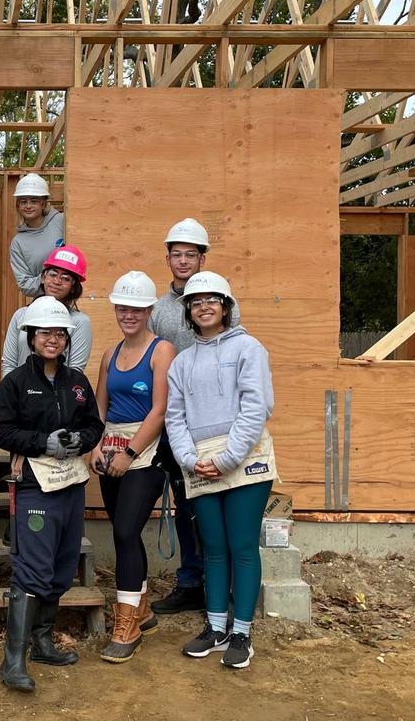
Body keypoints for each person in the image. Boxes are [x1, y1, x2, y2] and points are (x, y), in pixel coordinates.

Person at [0, 297, 104, 693]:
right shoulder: (15, 383)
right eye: (44, 333)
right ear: (31, 338)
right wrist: (42, 442)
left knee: (60, 565)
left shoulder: (76, 382)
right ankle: (13, 661)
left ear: (66, 338)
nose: (52, 339)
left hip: (70, 485)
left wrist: (78, 440)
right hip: (35, 485)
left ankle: (42, 642)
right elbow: (0, 431)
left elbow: (95, 425)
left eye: (58, 333)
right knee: (33, 569)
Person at [165, 271, 275, 670]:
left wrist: (227, 458)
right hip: (199, 464)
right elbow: (174, 417)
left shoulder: (248, 349)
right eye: (196, 302)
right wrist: (188, 459)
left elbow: (256, 407)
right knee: (212, 547)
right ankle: (215, 628)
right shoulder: (182, 362)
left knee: (242, 545)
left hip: (244, 462)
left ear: (226, 306)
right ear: (188, 312)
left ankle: (242, 632)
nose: (204, 306)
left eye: (212, 300)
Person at [148, 217, 240, 616]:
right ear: (167, 257)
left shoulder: (219, 300)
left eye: (191, 254)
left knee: (222, 505)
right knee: (186, 506)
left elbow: (236, 356)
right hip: (175, 421)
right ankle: (190, 582)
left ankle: (225, 586)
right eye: (176, 254)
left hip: (217, 422)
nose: (182, 261)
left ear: (202, 258)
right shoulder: (159, 310)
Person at [90, 272, 175, 663]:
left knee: (125, 531)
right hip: (110, 451)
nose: (128, 315)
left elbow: (160, 409)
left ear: (148, 310)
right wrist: (96, 447)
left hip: (147, 454)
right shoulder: (111, 353)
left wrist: (131, 453)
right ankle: (140, 606)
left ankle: (127, 625)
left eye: (136, 309)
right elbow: (100, 406)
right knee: (126, 532)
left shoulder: (162, 351)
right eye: (122, 307)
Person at [0, 245, 92, 378]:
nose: (57, 281)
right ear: (43, 278)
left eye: (65, 278)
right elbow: (9, 364)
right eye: (53, 274)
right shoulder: (21, 315)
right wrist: (11, 393)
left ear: (73, 287)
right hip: (19, 394)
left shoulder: (80, 322)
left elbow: (75, 371)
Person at [8, 173, 65, 297]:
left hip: (76, 298)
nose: (28, 206)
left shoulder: (62, 221)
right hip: (44, 304)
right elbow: (24, 285)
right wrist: (49, 279)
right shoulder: (18, 243)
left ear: (43, 203)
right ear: (18, 206)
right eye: (23, 202)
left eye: (34, 201)